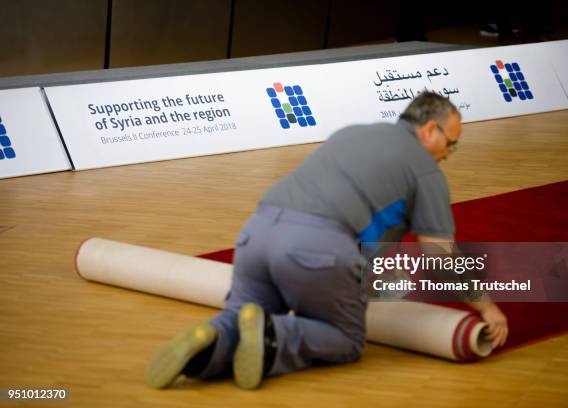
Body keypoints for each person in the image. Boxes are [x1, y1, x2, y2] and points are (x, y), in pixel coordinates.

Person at [146, 92, 509, 390]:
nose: (448, 154)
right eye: (452, 144)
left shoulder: (354, 133)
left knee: (241, 314)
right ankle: (276, 335)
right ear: (430, 130)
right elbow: (438, 254)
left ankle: (210, 341)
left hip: (256, 231)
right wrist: (487, 308)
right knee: (346, 339)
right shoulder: (425, 170)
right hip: (315, 246)